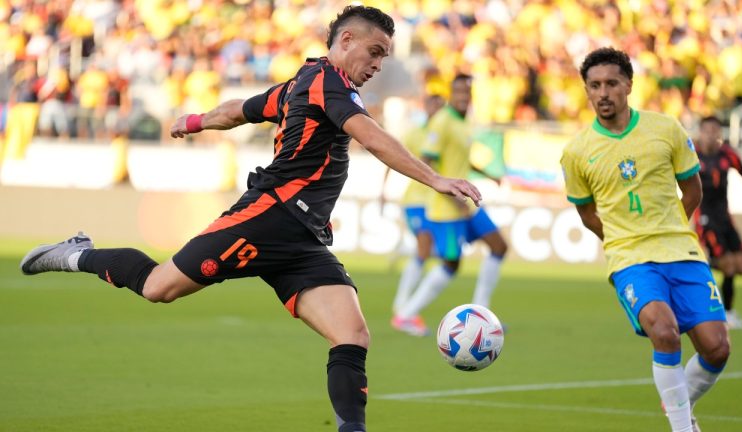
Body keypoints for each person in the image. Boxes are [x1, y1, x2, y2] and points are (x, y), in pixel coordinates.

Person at [18, 6, 482, 432]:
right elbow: (373, 138)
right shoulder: (328, 82)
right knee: (159, 288)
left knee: (353, 334)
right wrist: (435, 179)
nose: (379, 64)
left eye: (384, 55)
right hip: (265, 218)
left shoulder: (299, 85)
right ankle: (77, 254)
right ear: (344, 42)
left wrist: (197, 120)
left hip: (302, 240)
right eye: (374, 51)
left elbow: (235, 112)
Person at [560, 47, 730, 432]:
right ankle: (683, 427)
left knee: (717, 348)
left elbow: (693, 191)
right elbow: (588, 214)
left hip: (681, 250)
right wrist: (624, 239)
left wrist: (667, 227)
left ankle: (677, 401)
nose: (603, 93)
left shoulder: (665, 128)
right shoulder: (576, 152)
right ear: (586, 91)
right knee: (665, 330)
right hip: (630, 259)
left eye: (612, 84)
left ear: (629, 86)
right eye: (595, 86)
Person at [391, 73, 508, 337]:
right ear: (451, 94)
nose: (464, 98)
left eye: (468, 93)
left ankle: (482, 314)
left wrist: (488, 175)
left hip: (467, 203)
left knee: (499, 246)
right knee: (451, 264)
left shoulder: (464, 122)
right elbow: (429, 164)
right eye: (459, 93)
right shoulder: (442, 122)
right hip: (446, 209)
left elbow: (460, 162)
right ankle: (406, 315)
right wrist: (453, 199)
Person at [694, 116, 742, 329]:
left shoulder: (728, 155)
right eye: (706, 130)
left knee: (741, 267)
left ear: (719, 133)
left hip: (725, 218)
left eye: (714, 130)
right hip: (705, 219)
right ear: (700, 132)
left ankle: (702, 265)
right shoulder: (692, 155)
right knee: (728, 266)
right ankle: (726, 313)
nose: (711, 135)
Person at [380, 91, 445, 318]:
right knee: (426, 250)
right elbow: (391, 156)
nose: (436, 109)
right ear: (425, 107)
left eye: (440, 106)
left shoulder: (444, 133)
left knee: (437, 252)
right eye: (433, 104)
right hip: (416, 200)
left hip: (438, 203)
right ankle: (402, 306)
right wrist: (384, 189)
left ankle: (405, 251)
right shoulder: (415, 133)